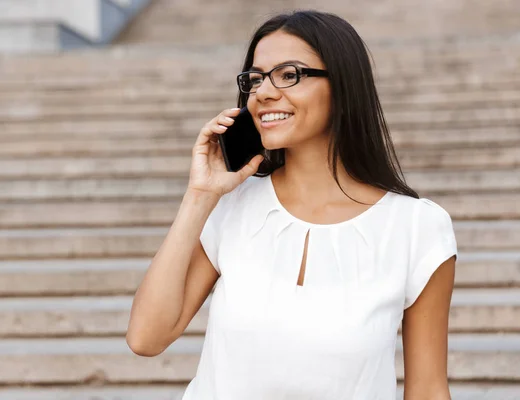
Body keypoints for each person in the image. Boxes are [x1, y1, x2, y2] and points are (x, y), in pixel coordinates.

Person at [127, 10, 457, 400]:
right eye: (255, 79)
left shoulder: (416, 228)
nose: (263, 93)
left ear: (343, 85)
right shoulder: (232, 207)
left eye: (289, 75)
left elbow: (428, 389)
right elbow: (146, 338)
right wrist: (200, 196)